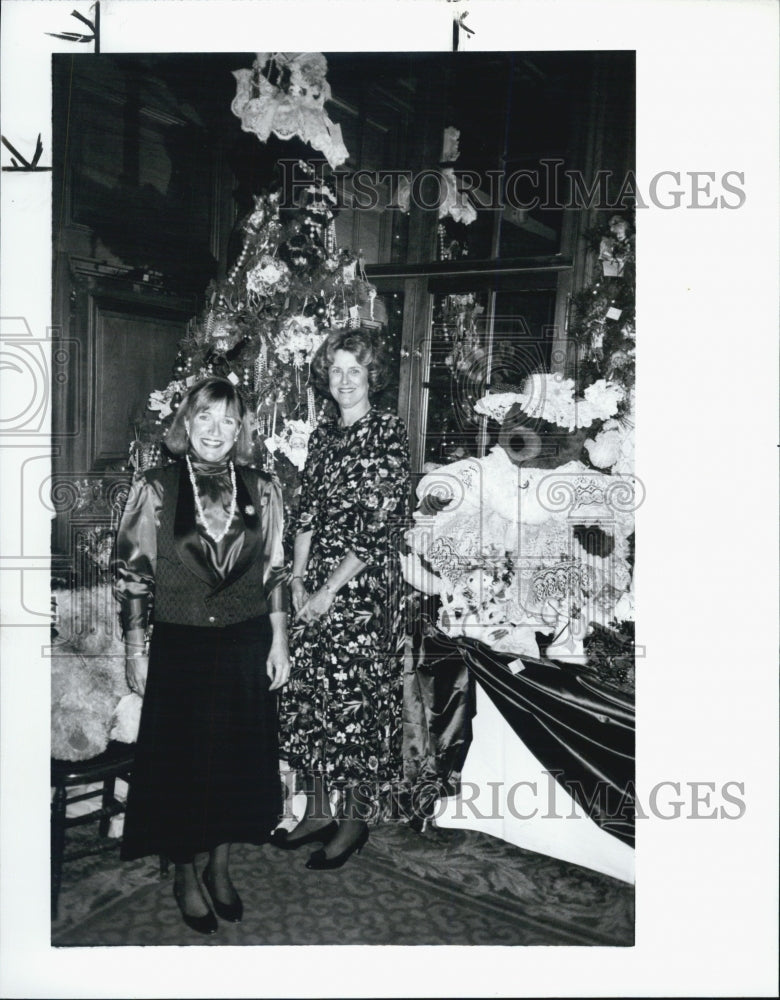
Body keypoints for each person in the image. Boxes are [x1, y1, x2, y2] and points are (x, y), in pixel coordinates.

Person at [113, 376, 290, 934]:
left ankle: (220, 866)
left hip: (244, 641)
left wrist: (281, 640)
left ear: (240, 430)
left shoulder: (263, 488)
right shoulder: (156, 486)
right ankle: (186, 873)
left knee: (236, 761)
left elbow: (275, 571)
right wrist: (136, 650)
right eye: (205, 419)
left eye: (228, 421)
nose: (216, 431)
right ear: (186, 424)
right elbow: (134, 575)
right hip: (181, 643)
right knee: (182, 765)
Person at [273, 328, 410, 869]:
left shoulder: (388, 432)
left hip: (363, 585)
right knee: (308, 695)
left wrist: (331, 588)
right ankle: (317, 809)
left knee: (352, 701)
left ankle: (353, 822)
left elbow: (381, 524)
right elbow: (306, 513)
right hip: (317, 585)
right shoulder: (323, 439)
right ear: (325, 379)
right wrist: (301, 578)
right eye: (336, 370)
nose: (345, 380)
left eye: (356, 370)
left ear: (371, 376)